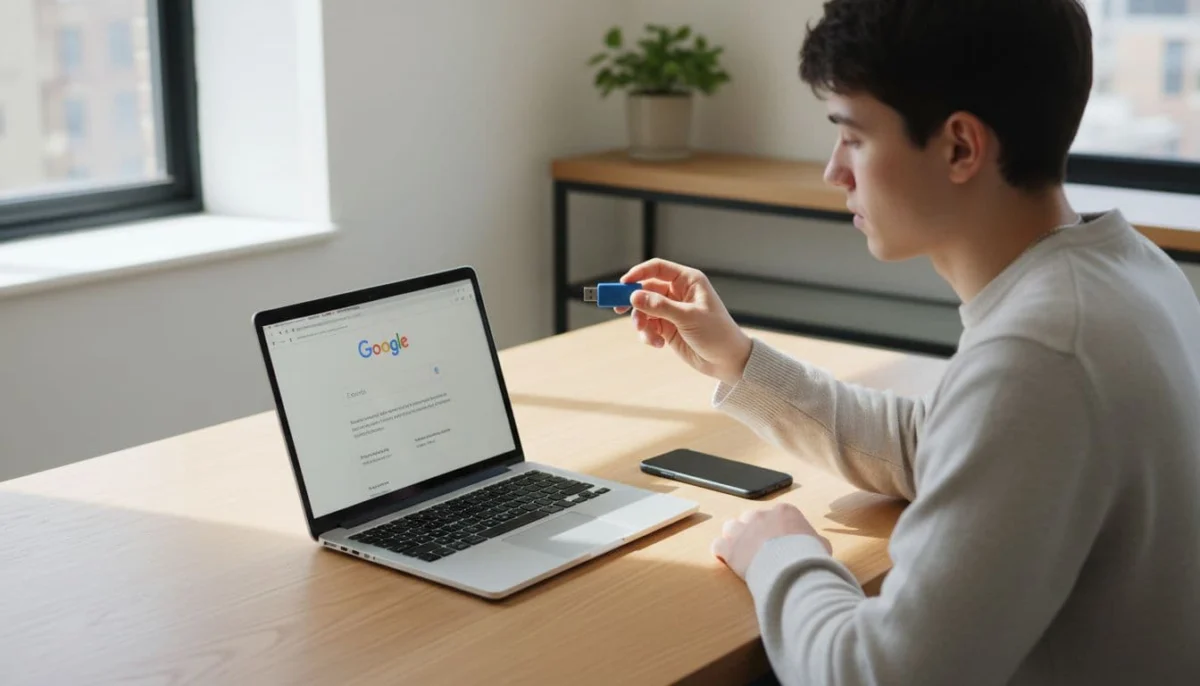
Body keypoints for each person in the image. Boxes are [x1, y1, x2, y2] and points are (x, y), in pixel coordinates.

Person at [615, 1, 1200, 684]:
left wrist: (782, 553)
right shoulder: (1128, 269)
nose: (834, 171)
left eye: (853, 137)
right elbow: (946, 443)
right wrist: (740, 361)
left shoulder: (1041, 354)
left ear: (960, 147)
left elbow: (875, 674)